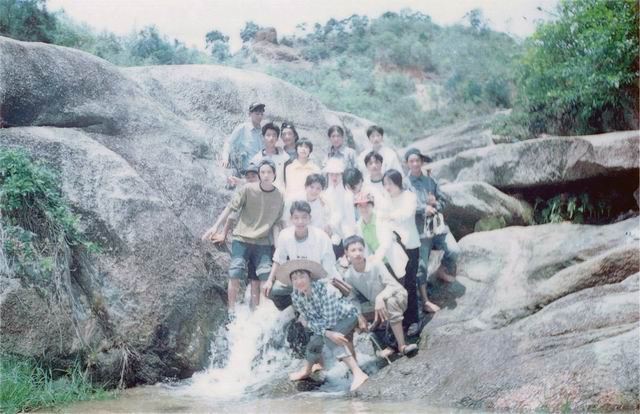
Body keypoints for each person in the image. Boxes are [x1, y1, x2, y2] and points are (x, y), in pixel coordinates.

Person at [277, 259, 369, 392]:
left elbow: (328, 321)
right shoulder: (296, 295)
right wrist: (317, 327)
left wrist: (316, 327)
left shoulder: (326, 289)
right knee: (314, 341)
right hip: (325, 322)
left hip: (347, 317)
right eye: (294, 278)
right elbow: (307, 318)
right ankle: (307, 371)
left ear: (309, 277)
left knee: (329, 338)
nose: (298, 281)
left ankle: (358, 373)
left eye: (302, 276)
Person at [212, 160, 284, 313]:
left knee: (264, 275)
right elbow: (231, 208)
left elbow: (277, 224)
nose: (266, 175)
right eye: (262, 172)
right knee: (235, 271)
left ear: (274, 174)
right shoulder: (247, 189)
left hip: (263, 242)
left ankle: (261, 313)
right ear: (259, 174)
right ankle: (231, 310)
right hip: (242, 238)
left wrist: (278, 247)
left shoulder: (279, 196)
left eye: (269, 172)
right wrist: (216, 227)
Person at [341, 235, 417, 358]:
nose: (357, 253)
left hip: (396, 295)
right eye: (353, 250)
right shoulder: (349, 275)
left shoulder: (375, 264)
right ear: (346, 253)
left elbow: (393, 285)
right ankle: (380, 345)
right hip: (376, 305)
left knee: (390, 302)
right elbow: (352, 298)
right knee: (353, 315)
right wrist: (359, 316)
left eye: (360, 249)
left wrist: (380, 298)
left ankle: (402, 346)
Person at [405, 148, 460, 313]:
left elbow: (444, 201)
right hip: (420, 232)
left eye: (417, 160)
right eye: (411, 161)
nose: (415, 164)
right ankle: (425, 301)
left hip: (437, 227)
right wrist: (423, 209)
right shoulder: (405, 184)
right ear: (407, 163)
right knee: (421, 266)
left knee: (454, 250)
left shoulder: (431, 181)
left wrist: (436, 204)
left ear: (422, 162)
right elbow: (405, 206)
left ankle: (441, 270)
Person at [263, 200, 337, 311]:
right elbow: (278, 259)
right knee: (273, 291)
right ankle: (294, 309)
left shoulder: (321, 237)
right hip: (297, 280)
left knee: (323, 300)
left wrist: (318, 286)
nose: (300, 221)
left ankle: (309, 310)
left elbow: (328, 266)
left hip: (318, 281)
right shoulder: (285, 235)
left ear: (310, 218)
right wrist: (269, 280)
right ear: (291, 219)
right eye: (296, 218)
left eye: (304, 217)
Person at [380, 169, 421, 336]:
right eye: (385, 184)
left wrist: (390, 216)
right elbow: (381, 218)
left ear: (397, 182)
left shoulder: (409, 196)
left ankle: (414, 320)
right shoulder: (386, 199)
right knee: (398, 284)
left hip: (410, 245)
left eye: (389, 183)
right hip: (394, 248)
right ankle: (401, 320)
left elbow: (406, 214)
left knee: (410, 282)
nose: (387, 187)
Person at [352, 192, 408, 279]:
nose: (364, 209)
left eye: (367, 205)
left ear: (372, 206)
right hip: (378, 266)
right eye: (360, 206)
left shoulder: (381, 219)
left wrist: (375, 258)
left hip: (391, 261)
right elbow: (365, 248)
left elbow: (386, 243)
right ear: (356, 208)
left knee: (399, 286)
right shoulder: (359, 226)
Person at [323, 158, 357, 259]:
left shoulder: (347, 193)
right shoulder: (327, 192)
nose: (334, 177)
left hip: (346, 231)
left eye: (337, 174)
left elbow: (344, 215)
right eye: (331, 174)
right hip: (333, 233)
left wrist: (330, 225)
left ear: (342, 175)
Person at [221, 102, 265, 178]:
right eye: (257, 114)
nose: (260, 116)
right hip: (247, 172)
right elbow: (228, 143)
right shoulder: (243, 128)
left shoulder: (263, 132)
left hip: (260, 173)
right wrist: (225, 158)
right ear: (250, 114)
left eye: (261, 114)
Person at [250, 123, 290, 191]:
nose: (271, 138)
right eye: (268, 135)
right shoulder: (256, 159)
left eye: (274, 135)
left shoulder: (285, 157)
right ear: (263, 137)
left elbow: (288, 179)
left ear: (277, 138)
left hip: (280, 193)